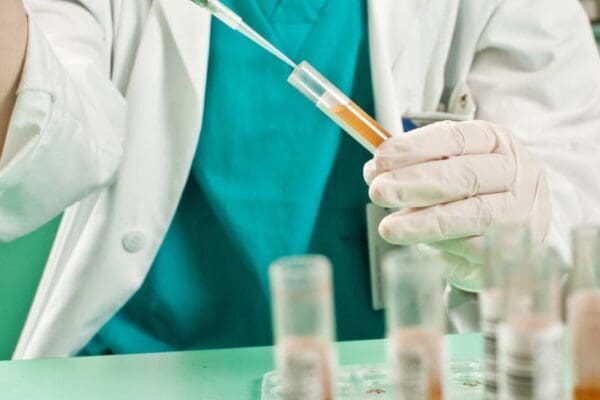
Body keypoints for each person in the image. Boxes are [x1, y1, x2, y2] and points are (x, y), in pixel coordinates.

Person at [1, 0, 599, 359]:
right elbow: (43, 144)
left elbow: (578, 174)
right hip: (139, 367)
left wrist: (523, 210)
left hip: (395, 373)